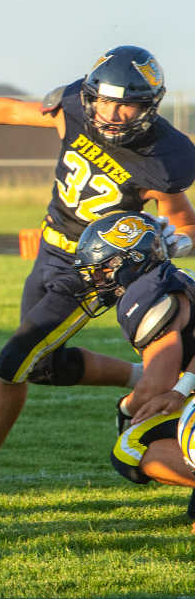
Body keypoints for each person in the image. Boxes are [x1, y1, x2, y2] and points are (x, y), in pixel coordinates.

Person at [0, 45, 195, 515]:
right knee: (42, 367)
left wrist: (177, 239)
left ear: (149, 105)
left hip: (94, 271)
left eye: (125, 103)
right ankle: (140, 382)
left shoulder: (164, 158)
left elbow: (183, 222)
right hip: (49, 251)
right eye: (104, 100)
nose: (111, 112)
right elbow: (13, 110)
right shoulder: (73, 108)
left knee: (12, 364)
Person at [68, 211, 195, 520]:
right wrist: (184, 388)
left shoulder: (147, 297)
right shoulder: (171, 277)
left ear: (132, 261)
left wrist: (126, 406)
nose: (94, 279)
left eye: (101, 270)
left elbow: (156, 386)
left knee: (130, 448)